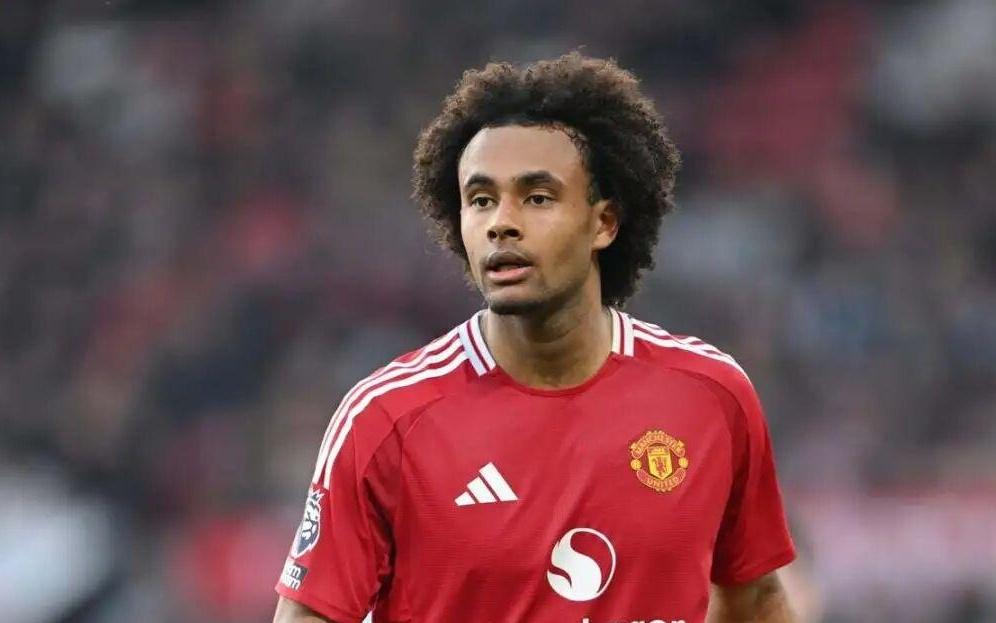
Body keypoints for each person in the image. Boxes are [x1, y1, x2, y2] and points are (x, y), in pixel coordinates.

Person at [273, 52, 796, 623]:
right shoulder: (387, 419)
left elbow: (756, 600)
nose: (501, 222)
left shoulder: (711, 396)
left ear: (604, 223)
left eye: (537, 197)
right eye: (480, 200)